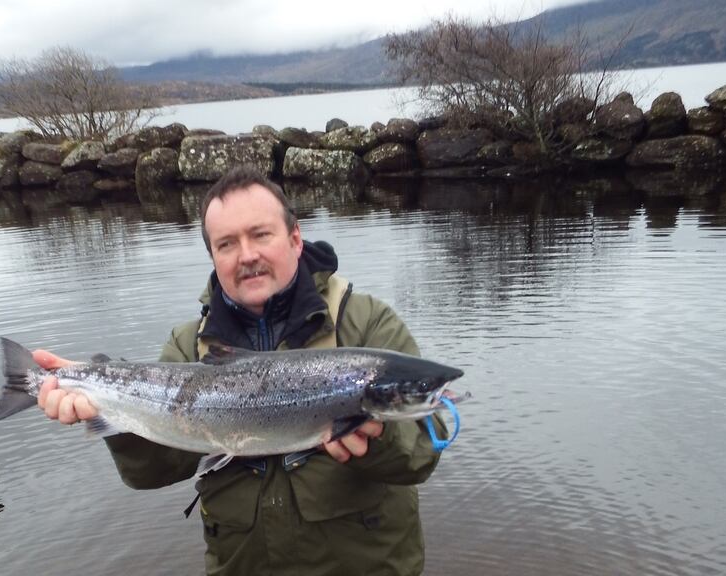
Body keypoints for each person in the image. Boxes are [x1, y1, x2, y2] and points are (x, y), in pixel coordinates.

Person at [34, 165, 448, 576]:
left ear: (295, 238)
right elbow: (156, 471)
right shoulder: (186, 346)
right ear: (213, 257)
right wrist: (108, 411)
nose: (247, 255)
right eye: (227, 244)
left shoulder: (366, 324)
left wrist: (379, 439)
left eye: (260, 235)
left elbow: (423, 453)